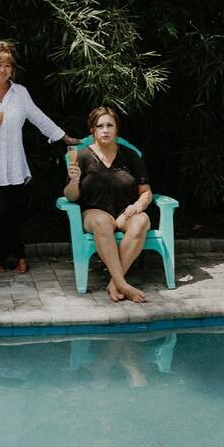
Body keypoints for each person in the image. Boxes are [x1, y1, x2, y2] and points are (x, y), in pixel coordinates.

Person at [0, 39, 78, 274]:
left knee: (14, 215)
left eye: (6, 66)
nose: (1, 70)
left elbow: (39, 117)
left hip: (14, 166)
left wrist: (64, 137)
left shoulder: (20, 93)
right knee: (0, 214)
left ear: (12, 69)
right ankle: (18, 255)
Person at [62, 106, 153, 302]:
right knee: (102, 223)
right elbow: (70, 197)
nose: (105, 130)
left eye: (109, 125)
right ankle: (123, 284)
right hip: (95, 212)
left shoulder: (130, 156)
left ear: (116, 129)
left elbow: (146, 192)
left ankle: (115, 283)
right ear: (92, 130)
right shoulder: (82, 156)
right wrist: (74, 180)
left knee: (142, 221)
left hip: (125, 212)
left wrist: (139, 206)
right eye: (100, 126)